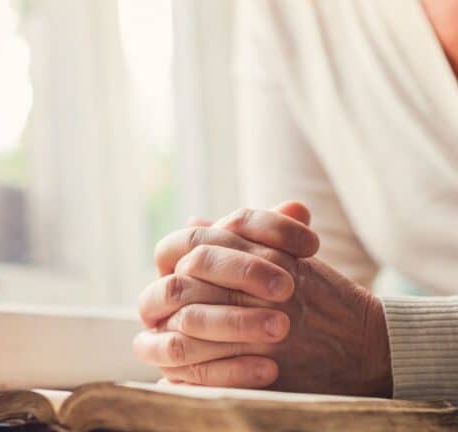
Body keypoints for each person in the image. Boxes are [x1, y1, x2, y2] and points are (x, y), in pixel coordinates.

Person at [133, 0, 458, 403]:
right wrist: (234, 324)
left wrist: (385, 346)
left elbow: (348, 345)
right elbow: (315, 314)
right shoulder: (290, 11)